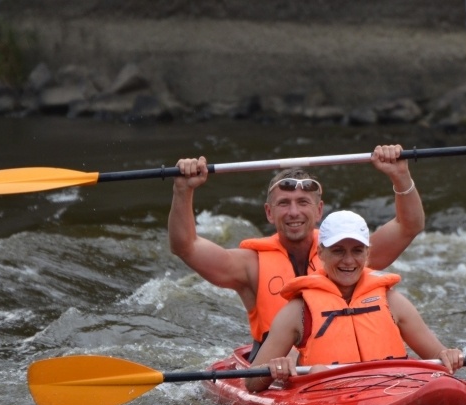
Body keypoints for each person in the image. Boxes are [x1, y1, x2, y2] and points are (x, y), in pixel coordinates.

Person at [170, 145, 424, 358]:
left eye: (303, 202)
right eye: (284, 203)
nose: (294, 212)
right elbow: (186, 246)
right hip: (276, 368)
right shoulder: (250, 265)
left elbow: (408, 225)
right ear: (269, 212)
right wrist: (184, 190)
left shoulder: (348, 252)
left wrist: (400, 175)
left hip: (338, 366)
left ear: (319, 210)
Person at [245, 210, 464, 393]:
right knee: (317, 371)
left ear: (368, 253)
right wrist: (274, 370)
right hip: (328, 396)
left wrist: (449, 356)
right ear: (321, 252)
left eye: (357, 251)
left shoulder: (392, 301)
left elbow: (437, 357)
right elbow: (251, 382)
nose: (348, 261)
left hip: (392, 392)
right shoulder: (297, 311)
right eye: (338, 251)